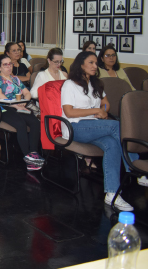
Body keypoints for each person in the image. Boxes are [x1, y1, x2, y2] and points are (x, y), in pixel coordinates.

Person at [61, 52, 140, 211]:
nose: (95, 66)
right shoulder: (69, 84)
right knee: (116, 126)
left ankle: (112, 194)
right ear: (81, 64)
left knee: (112, 144)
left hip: (94, 126)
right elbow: (69, 112)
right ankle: (135, 166)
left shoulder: (95, 83)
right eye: (91, 63)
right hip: (75, 127)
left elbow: (106, 104)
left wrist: (102, 111)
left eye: (96, 63)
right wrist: (96, 111)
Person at [0, 55, 43, 171]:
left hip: (17, 107)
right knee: (20, 123)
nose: (9, 66)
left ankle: (33, 153)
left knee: (35, 122)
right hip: (0, 108)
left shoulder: (15, 79)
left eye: (10, 64)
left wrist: (23, 104)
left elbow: (27, 93)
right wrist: (15, 105)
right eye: (5, 64)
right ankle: (27, 156)